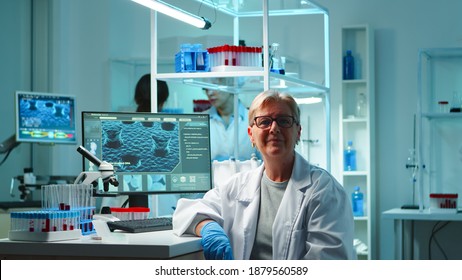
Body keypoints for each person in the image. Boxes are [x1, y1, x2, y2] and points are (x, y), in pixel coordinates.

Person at [172, 90, 356, 260]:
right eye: (264, 121)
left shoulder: (324, 191)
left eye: (284, 121)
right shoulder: (238, 185)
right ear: (251, 134)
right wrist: (208, 228)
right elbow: (187, 211)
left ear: (298, 132)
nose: (274, 128)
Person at [204, 81, 259, 161]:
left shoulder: (254, 120)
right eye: (206, 88)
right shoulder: (201, 121)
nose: (210, 93)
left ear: (231, 85)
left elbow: (265, 163)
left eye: (214, 86)